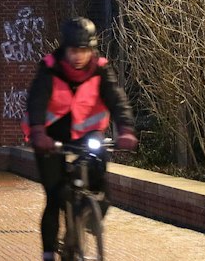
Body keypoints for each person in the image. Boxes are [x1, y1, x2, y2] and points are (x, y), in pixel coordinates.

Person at [24, 17, 137, 261]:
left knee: (101, 181)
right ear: (65, 49)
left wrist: (126, 129)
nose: (79, 56)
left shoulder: (101, 70)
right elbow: (36, 103)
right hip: (51, 139)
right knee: (54, 197)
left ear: (92, 50)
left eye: (84, 50)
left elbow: (117, 100)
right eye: (74, 51)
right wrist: (38, 132)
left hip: (87, 136)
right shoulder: (49, 69)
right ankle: (49, 252)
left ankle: (86, 218)